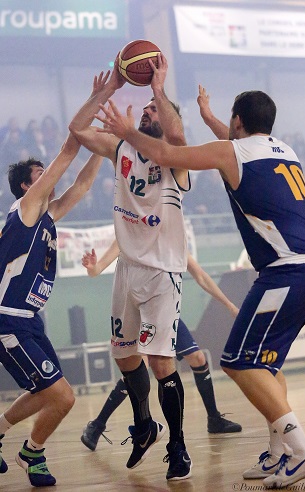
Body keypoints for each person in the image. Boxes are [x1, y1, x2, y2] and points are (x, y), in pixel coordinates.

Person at [95, 87, 305, 489]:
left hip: (288, 268)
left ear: (237, 121)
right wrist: (206, 116)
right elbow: (232, 143)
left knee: (238, 362)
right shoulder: (282, 150)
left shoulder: (230, 151)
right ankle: (278, 452)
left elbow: (168, 155)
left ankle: (302, 448)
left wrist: (125, 131)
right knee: (266, 366)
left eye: (228, 120)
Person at [69, 54, 192, 481]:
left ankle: (178, 446)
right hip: (127, 269)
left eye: (152, 110)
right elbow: (78, 130)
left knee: (160, 361)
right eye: (143, 109)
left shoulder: (177, 160)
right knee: (123, 356)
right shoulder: (121, 148)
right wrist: (105, 92)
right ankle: (145, 425)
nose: (145, 112)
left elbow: (175, 134)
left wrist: (159, 88)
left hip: (163, 271)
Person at [0, 130, 104, 486]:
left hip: (30, 321)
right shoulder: (25, 211)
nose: (50, 180)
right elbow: (67, 154)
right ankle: (32, 452)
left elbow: (83, 183)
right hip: (8, 320)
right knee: (62, 396)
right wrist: (99, 104)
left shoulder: (46, 216)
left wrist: (107, 146)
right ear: (28, 188)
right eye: (41, 175)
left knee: (45, 392)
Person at [79, 238, 241, 451]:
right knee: (140, 367)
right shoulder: (129, 232)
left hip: (164, 311)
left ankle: (214, 419)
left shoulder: (172, 237)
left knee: (198, 358)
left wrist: (228, 304)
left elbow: (200, 275)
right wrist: (93, 268)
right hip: (137, 310)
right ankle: (97, 424)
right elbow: (98, 268)